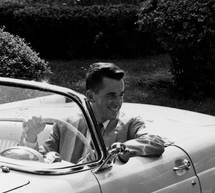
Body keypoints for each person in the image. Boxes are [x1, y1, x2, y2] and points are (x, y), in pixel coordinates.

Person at [21, 63, 165, 163]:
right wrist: (31, 137)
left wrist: (112, 151)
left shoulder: (130, 123)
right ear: (90, 96)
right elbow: (41, 159)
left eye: (121, 95)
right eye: (111, 95)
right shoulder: (65, 124)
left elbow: (155, 143)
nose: (118, 102)